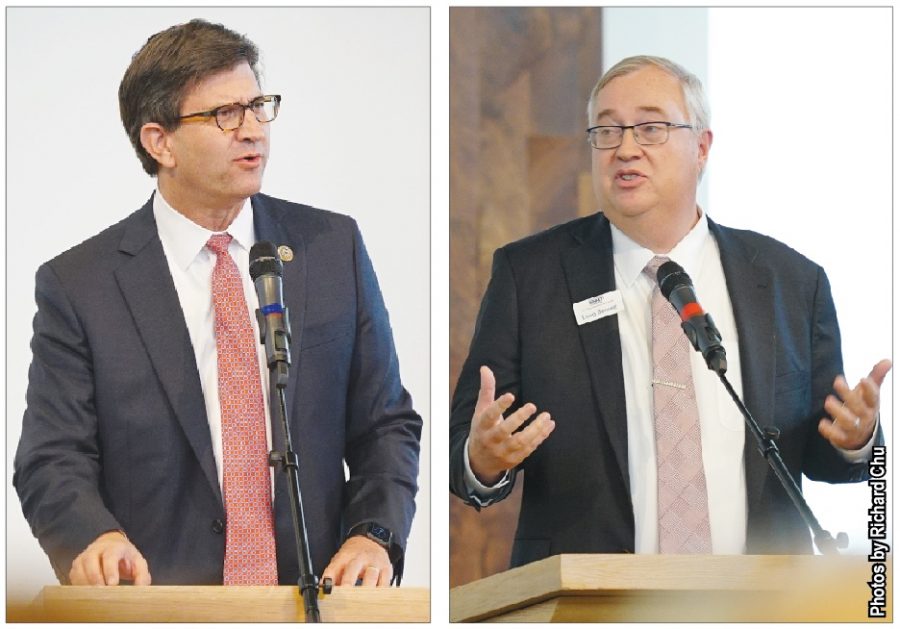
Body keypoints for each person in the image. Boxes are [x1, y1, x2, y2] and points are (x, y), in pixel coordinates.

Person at [14, 19, 421, 588]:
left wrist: (373, 534)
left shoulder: (331, 249)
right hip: (157, 606)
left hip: (313, 602)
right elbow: (51, 457)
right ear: (160, 142)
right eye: (225, 114)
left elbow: (385, 423)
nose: (253, 129)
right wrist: (94, 538)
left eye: (258, 106)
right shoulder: (81, 285)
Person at [449, 55, 889, 565]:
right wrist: (481, 459)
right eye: (607, 131)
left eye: (651, 128)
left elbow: (823, 458)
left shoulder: (791, 281)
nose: (625, 149)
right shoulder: (530, 275)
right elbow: (468, 450)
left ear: (701, 147)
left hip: (757, 606)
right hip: (585, 605)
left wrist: (856, 441)